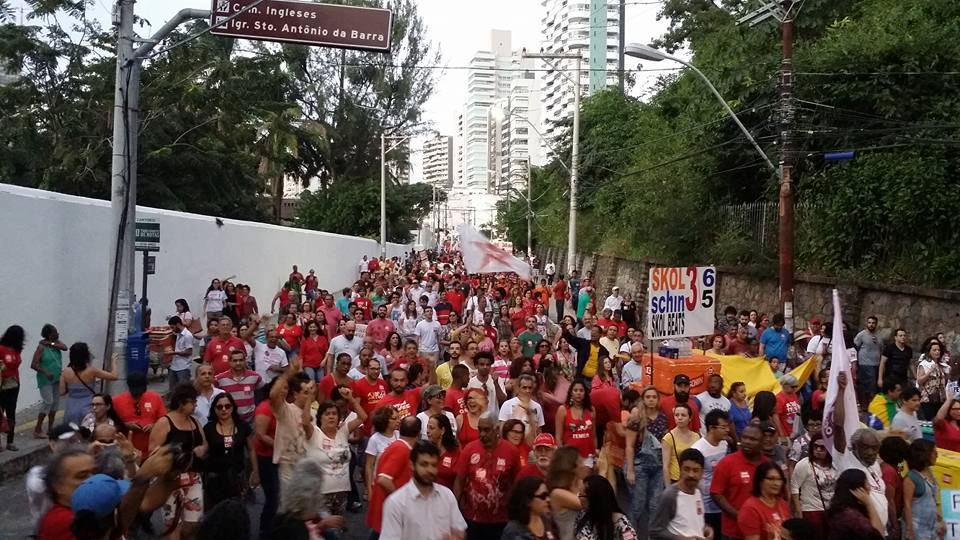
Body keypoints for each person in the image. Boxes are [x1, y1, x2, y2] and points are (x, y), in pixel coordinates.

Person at [830, 372, 892, 532]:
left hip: (881, 531)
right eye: (866, 447)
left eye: (875, 448)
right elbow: (838, 425)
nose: (871, 452)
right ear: (855, 446)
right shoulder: (847, 461)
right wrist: (841, 391)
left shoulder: (875, 467)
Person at [149, 383, 209, 538]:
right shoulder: (164, 422)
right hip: (170, 479)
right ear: (182, 403)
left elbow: (204, 443)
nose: (196, 405)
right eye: (193, 402)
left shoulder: (194, 421)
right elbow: (153, 451)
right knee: (173, 524)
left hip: (192, 477)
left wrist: (202, 449)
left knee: (193, 522)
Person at [379, 440, 468, 540]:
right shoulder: (396, 503)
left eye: (433, 465)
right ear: (412, 465)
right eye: (424, 464)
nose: (430, 470)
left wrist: (457, 537)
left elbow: (460, 531)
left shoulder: (447, 496)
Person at [454, 412, 521, 539]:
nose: (482, 434)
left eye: (486, 430)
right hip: (473, 519)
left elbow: (517, 483)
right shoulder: (469, 449)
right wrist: (455, 510)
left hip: (501, 519)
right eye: (480, 430)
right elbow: (459, 481)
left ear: (496, 429)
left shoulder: (511, 451)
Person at [307, 391, 367, 519]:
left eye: (334, 414)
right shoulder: (314, 433)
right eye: (327, 414)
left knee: (336, 527)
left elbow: (363, 417)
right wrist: (309, 398)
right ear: (320, 417)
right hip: (320, 494)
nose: (331, 416)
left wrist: (351, 398)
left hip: (341, 492)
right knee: (322, 530)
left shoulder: (343, 431)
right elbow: (304, 421)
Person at [367, 416, 421, 537]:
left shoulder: (398, 446)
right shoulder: (401, 449)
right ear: (418, 433)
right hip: (389, 511)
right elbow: (384, 479)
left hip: (386, 510)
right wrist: (402, 500)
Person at [710, 424, 766, 540]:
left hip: (762, 532)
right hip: (733, 532)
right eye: (744, 438)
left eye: (753, 439)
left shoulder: (768, 465)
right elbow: (716, 493)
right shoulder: (727, 463)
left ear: (762, 442)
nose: (747, 442)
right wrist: (739, 516)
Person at [270, 457, 347, 539]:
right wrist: (321, 526)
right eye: (318, 492)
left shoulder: (284, 517)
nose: (320, 497)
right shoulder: (294, 529)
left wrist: (321, 525)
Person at [269, 362, 316, 485]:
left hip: (308, 464)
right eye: (306, 393)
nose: (310, 396)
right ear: (295, 394)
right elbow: (274, 395)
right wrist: (288, 373)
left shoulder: (315, 412)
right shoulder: (286, 410)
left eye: (311, 392)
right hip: (289, 466)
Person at [650, 448, 713, 540]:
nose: (691, 474)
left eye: (695, 470)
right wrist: (680, 538)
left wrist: (707, 529)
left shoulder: (698, 492)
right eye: (686, 469)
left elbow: (694, 521)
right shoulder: (670, 496)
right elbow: (655, 531)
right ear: (680, 469)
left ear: (702, 472)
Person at [204, 391, 253, 508]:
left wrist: (255, 471)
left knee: (237, 512)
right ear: (214, 409)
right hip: (215, 479)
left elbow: (252, 450)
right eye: (219, 407)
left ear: (233, 407)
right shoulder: (208, 428)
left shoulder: (243, 426)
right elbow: (203, 449)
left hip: (237, 478)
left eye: (227, 406)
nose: (224, 409)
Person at [59, 344, 119, 428]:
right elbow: (114, 376)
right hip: (88, 406)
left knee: (72, 433)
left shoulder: (65, 372)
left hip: (71, 407)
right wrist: (114, 362)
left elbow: (61, 392)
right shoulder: (92, 370)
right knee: (88, 432)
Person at [690, 409, 730, 534]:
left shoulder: (724, 445)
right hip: (704, 506)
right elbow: (692, 481)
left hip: (721, 503)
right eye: (723, 427)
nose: (727, 430)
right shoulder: (698, 449)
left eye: (727, 426)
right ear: (712, 428)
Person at [789, 432, 836, 537]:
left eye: (822, 447)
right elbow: (794, 487)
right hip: (811, 512)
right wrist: (798, 512)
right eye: (815, 446)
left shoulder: (834, 465)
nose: (818, 450)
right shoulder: (804, 464)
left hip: (830, 513)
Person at [112, 371, 166, 456]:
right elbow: (110, 424)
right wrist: (125, 425)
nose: (138, 394)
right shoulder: (116, 401)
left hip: (152, 451)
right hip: (126, 452)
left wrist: (154, 426)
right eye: (135, 391)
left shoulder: (156, 398)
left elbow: (164, 421)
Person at [903, 439, 945, 540]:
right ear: (924, 455)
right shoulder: (911, 478)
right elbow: (907, 505)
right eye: (934, 453)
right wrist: (909, 531)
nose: (937, 455)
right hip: (917, 530)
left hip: (931, 529)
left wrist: (940, 521)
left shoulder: (930, 473)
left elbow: (932, 500)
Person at [825, 469, 885, 540]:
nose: (869, 487)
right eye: (867, 483)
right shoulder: (849, 515)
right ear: (858, 488)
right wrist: (869, 504)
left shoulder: (845, 509)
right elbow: (878, 535)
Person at [29, 324, 66, 439]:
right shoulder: (41, 348)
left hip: (56, 378)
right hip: (45, 379)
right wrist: (45, 372)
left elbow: (65, 347)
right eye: (55, 332)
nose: (57, 334)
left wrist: (51, 343)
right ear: (49, 334)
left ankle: (50, 428)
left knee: (55, 403)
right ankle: (38, 429)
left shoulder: (55, 344)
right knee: (48, 402)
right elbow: (33, 365)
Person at [737, 461, 791, 540]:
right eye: (771, 479)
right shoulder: (750, 509)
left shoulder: (783, 504)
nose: (777, 483)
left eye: (779, 479)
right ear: (760, 481)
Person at [574, 474, 637, 540]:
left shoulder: (623, 526)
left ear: (594, 499)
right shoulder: (583, 514)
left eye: (581, 495)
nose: (578, 497)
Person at [502, 476, 561, 540]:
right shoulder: (513, 530)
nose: (548, 499)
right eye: (543, 496)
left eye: (548, 495)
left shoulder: (549, 520)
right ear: (527, 501)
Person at [214, 348, 263, 425]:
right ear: (230, 362)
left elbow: (264, 392)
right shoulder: (220, 379)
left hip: (250, 420)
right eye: (235, 360)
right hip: (230, 421)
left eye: (241, 360)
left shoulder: (255, 377)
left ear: (245, 361)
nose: (238, 363)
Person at [555, 378, 597, 460]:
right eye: (575, 390)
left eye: (581, 390)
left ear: (585, 393)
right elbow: (558, 438)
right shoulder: (563, 410)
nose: (578, 393)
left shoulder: (591, 410)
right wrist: (563, 456)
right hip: (570, 457)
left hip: (588, 456)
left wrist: (595, 451)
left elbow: (593, 435)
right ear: (571, 392)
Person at [662, 402, 701, 485]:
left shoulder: (696, 437)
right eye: (677, 415)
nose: (679, 418)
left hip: (692, 479)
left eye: (683, 415)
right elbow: (665, 466)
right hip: (675, 480)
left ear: (690, 418)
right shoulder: (668, 437)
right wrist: (668, 488)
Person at [426, 413, 461, 489]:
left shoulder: (455, 452)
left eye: (431, 428)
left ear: (442, 430)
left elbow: (459, 481)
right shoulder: (425, 451)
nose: (427, 431)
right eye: (427, 428)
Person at [853, 315, 883, 404]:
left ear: (876, 324)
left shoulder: (879, 336)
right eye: (869, 322)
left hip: (876, 364)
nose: (871, 325)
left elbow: (881, 348)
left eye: (873, 323)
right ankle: (864, 404)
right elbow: (855, 347)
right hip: (864, 364)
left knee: (873, 386)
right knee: (866, 385)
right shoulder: (861, 335)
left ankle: (869, 404)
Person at [916, 339, 948, 420]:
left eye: (938, 350)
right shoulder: (924, 364)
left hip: (940, 399)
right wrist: (929, 372)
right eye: (934, 350)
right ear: (929, 351)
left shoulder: (941, 365)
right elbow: (919, 381)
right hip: (928, 400)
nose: (937, 352)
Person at [168, 315, 195, 392]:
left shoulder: (187, 335)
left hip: (184, 366)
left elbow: (189, 351)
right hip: (175, 365)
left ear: (178, 324)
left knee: (183, 390)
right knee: (173, 389)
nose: (172, 330)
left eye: (173, 327)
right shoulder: (178, 335)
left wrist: (174, 352)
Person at [774, 374, 801, 441]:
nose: (795, 388)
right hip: (786, 435)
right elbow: (776, 417)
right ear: (785, 385)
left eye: (796, 386)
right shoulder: (779, 398)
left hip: (796, 432)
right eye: (793, 387)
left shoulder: (794, 394)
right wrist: (782, 435)